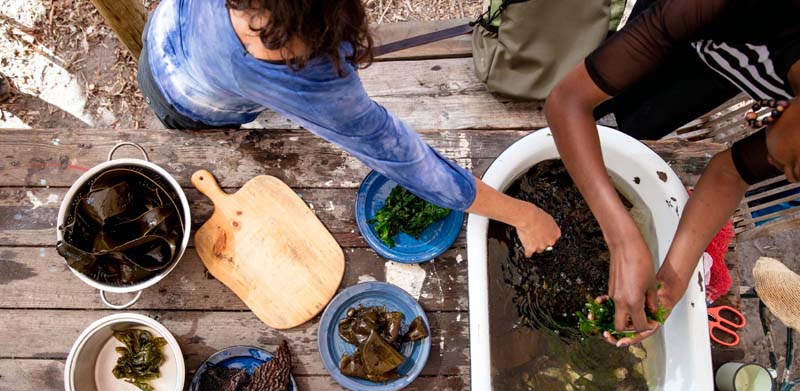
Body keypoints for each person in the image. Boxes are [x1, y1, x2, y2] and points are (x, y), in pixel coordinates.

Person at [136, 0, 561, 255]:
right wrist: (523, 215)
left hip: (162, 30)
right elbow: (406, 160)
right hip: (187, 103)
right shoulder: (314, 85)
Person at [545, 0, 800, 346]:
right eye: (795, 166)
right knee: (605, 93)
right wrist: (622, 238)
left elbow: (732, 173)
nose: (787, 176)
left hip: (728, 56)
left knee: (644, 122)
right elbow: (566, 101)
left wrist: (672, 284)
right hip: (703, 21)